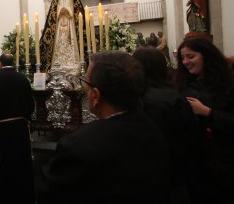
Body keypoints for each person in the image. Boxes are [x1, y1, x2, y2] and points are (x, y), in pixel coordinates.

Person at [36, 51, 170, 203]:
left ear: (95, 96)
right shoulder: (151, 126)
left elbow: (49, 193)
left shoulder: (80, 145)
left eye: (84, 82)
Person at [133, 47, 201, 203]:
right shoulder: (175, 94)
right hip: (180, 172)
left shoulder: (140, 99)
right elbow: (192, 135)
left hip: (157, 176)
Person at [174, 37, 234, 203]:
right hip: (196, 161)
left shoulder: (228, 83)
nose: (185, 62)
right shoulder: (182, 83)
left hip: (224, 160)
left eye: (191, 56)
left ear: (206, 55)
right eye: (182, 58)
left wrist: (208, 112)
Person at [0, 53, 36, 204]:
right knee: (21, 163)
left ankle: (3, 197)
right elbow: (30, 105)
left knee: (3, 164)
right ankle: (25, 196)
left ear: (0, 63)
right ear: (13, 63)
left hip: (0, 130)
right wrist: (24, 118)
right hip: (19, 129)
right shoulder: (23, 79)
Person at [39, 0, 85, 74]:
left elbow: (76, 9)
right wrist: (60, 10)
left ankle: (72, 62)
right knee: (59, 41)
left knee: (70, 41)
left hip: (70, 22)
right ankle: (57, 62)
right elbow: (54, 8)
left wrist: (68, 10)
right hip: (60, 21)